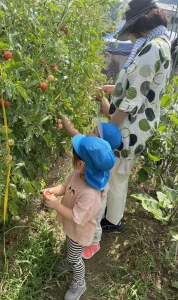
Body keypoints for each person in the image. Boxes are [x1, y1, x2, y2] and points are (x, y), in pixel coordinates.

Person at [97, 0, 171, 238]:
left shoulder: (152, 48)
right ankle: (112, 215)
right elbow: (140, 82)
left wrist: (110, 129)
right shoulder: (158, 42)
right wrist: (114, 86)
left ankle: (111, 221)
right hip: (140, 122)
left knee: (117, 174)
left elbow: (132, 98)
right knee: (120, 172)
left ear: (140, 25)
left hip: (131, 126)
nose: (129, 36)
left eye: (130, 29)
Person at [42, 134, 115, 300]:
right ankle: (69, 261)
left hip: (79, 231)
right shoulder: (77, 174)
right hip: (71, 227)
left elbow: (76, 217)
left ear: (82, 163)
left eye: (73, 154)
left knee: (76, 258)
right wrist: (53, 190)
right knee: (70, 248)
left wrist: (56, 205)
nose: (71, 157)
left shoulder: (90, 194)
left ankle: (79, 282)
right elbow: (64, 187)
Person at [59, 116, 122, 259]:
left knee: (94, 222)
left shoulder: (95, 181)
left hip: (92, 208)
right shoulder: (93, 154)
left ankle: (94, 243)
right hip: (84, 204)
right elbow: (75, 134)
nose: (90, 132)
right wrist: (65, 122)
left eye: (94, 131)